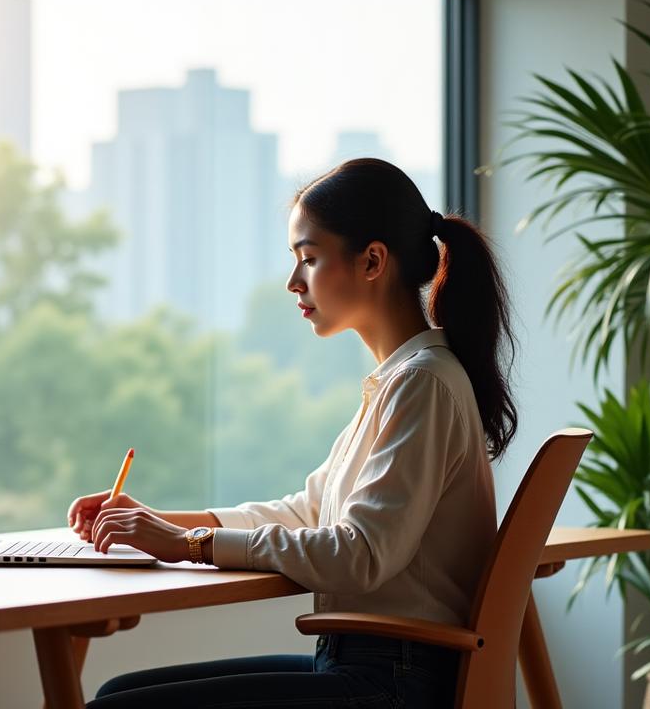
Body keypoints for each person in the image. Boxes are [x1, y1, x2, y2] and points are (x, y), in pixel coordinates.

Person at [67, 157, 518, 708]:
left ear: (373, 260)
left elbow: (359, 553)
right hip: (376, 666)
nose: (292, 282)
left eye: (308, 259)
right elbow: (308, 511)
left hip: (394, 683)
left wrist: (190, 546)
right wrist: (157, 523)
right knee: (117, 693)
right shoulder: (403, 380)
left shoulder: (421, 384)